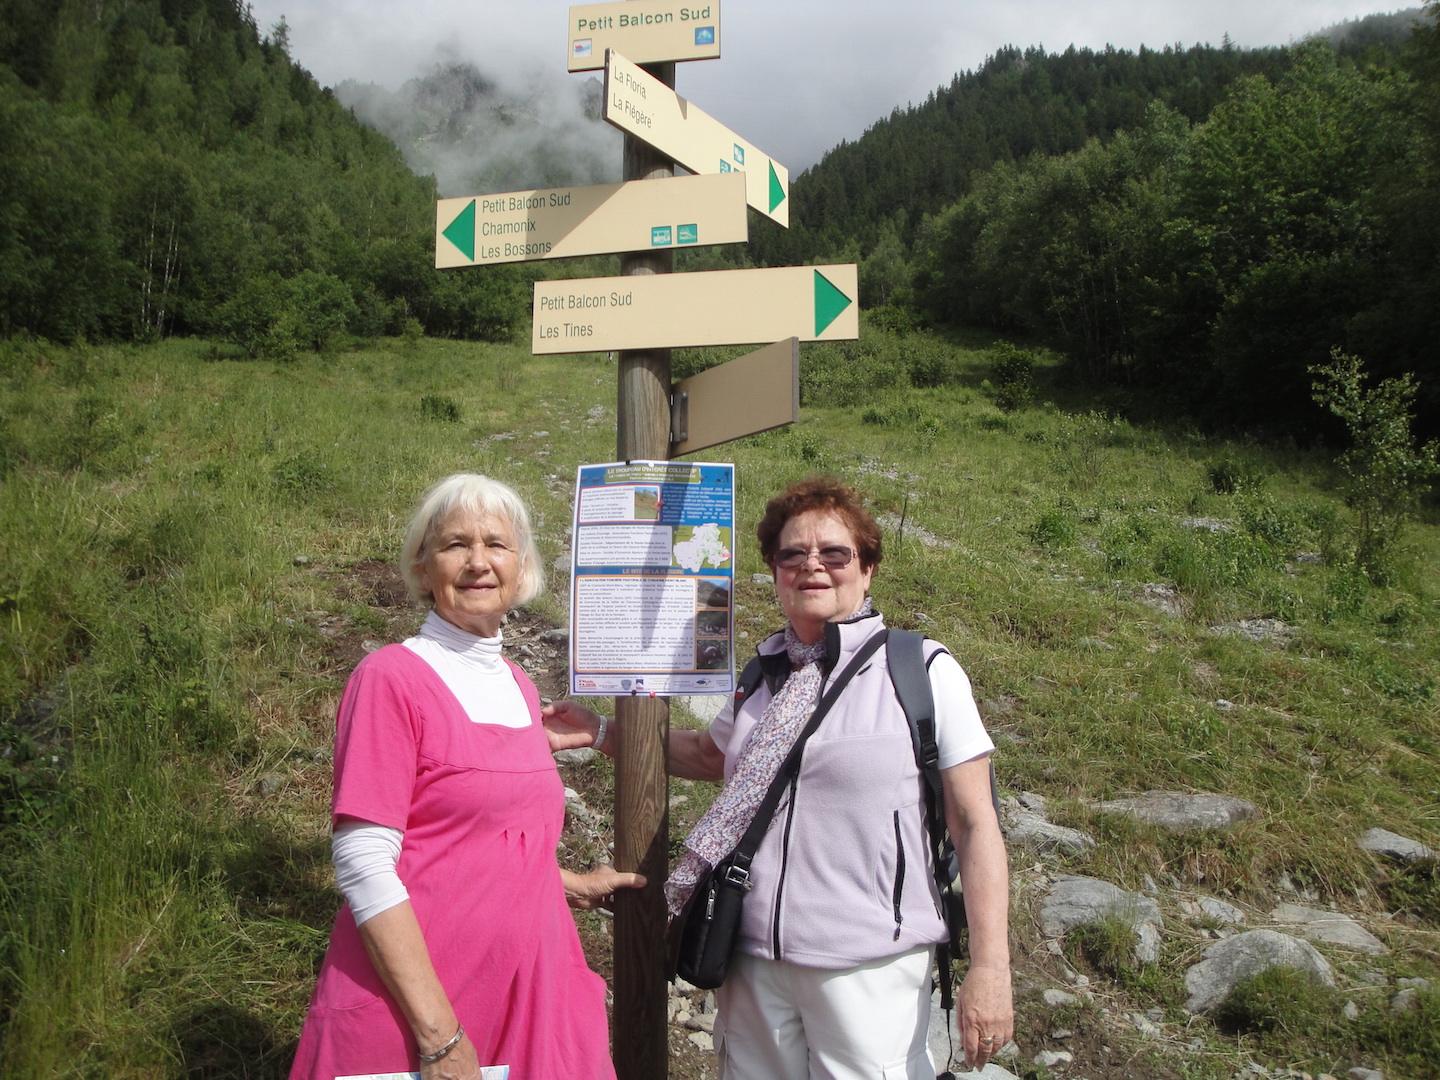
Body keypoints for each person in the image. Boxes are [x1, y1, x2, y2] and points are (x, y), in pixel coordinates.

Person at [546, 477, 1013, 1080]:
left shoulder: (921, 669)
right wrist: (603, 731)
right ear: (774, 570)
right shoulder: (764, 673)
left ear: (866, 569)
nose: (811, 567)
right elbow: (713, 757)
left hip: (869, 964)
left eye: (834, 554)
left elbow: (976, 824)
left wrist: (991, 968)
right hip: (749, 953)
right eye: (792, 555)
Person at [290, 473, 643, 1080]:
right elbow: (364, 861)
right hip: (423, 1012)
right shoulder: (390, 679)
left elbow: (470, 838)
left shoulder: (517, 685)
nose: (477, 561)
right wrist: (439, 1037)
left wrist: (560, 881)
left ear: (522, 566)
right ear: (423, 568)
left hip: (527, 998)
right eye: (455, 544)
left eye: (496, 545)